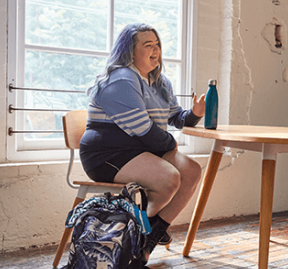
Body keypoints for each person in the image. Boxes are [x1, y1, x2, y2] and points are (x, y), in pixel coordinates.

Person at [80, 23, 205, 263]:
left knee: (191, 171)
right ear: (129, 52)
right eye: (148, 45)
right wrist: (170, 144)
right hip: (107, 153)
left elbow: (176, 118)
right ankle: (136, 238)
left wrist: (195, 114)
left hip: (141, 149)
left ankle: (150, 236)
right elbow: (143, 130)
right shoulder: (121, 80)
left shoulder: (160, 81)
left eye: (157, 44)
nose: (155, 49)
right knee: (169, 178)